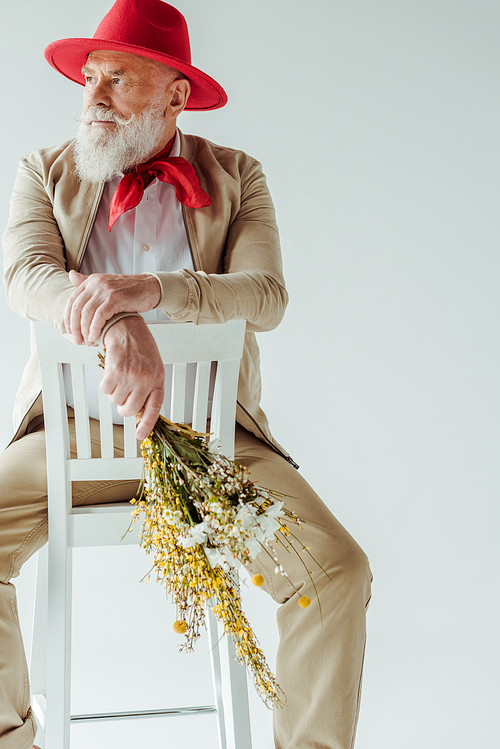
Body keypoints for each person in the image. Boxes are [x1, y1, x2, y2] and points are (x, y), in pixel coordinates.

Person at [1, 1, 372, 747]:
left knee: (338, 571)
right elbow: (26, 277)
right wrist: (113, 321)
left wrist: (152, 288)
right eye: (89, 80)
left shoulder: (237, 176)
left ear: (176, 95)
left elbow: (265, 297)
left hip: (213, 447)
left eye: (120, 81)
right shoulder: (44, 171)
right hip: (72, 440)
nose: (94, 99)